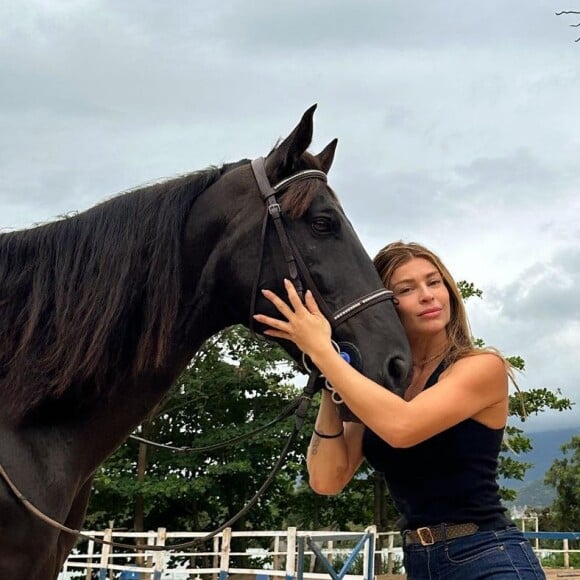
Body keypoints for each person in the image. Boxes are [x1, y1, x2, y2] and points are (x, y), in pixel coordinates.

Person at [253, 241, 546, 579]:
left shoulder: (481, 366)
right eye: (407, 289)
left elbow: (403, 427)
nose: (427, 295)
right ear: (385, 304)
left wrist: (323, 352)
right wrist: (329, 378)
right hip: (419, 563)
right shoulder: (380, 387)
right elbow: (326, 478)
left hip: (487, 555)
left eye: (434, 282)